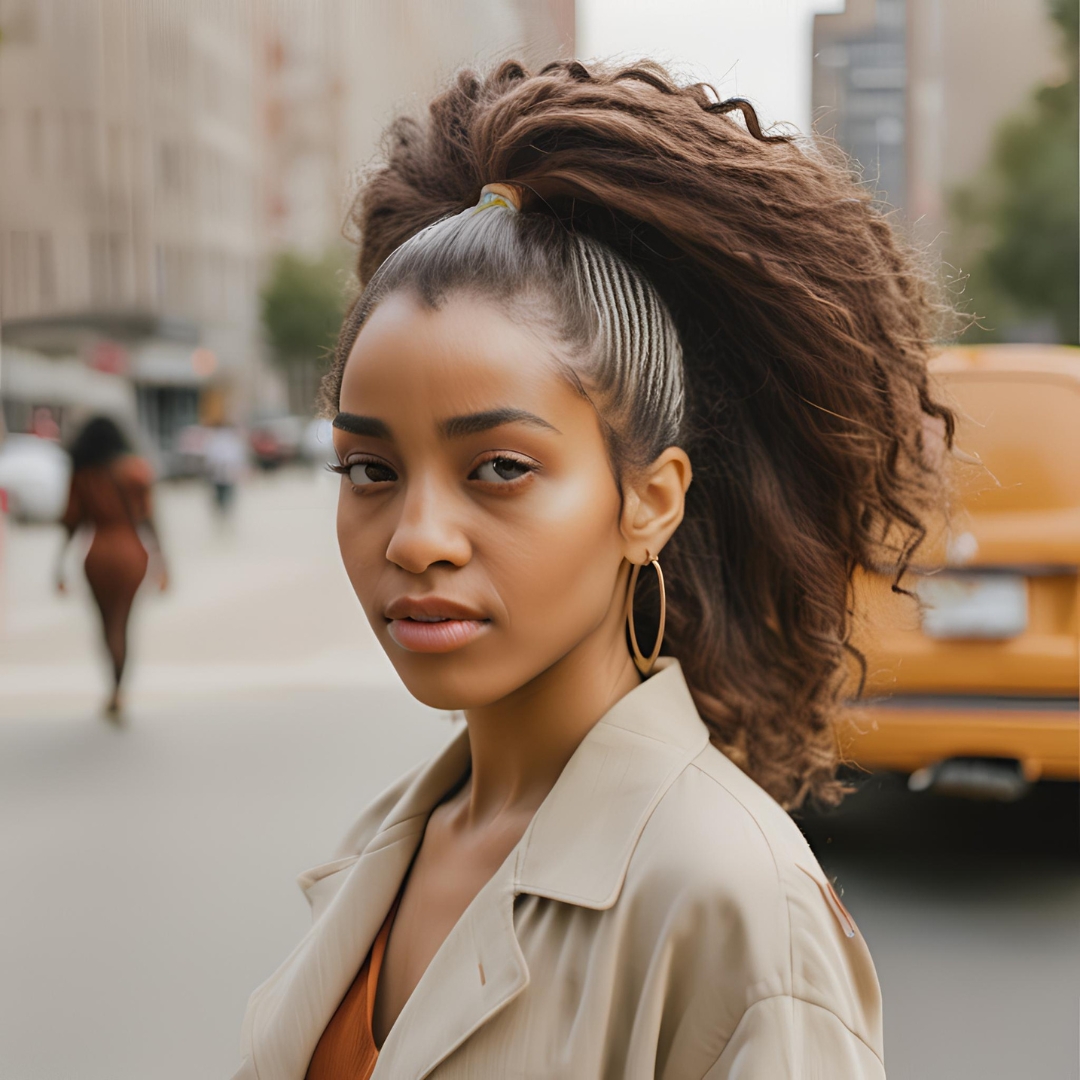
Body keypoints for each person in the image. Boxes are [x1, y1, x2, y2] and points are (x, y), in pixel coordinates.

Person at [233, 60, 954, 1079]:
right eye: (370, 468)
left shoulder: (732, 900)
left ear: (649, 501)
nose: (415, 537)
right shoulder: (394, 845)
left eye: (499, 469)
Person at [57, 415, 166, 721]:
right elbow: (150, 519)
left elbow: (71, 522)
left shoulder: (83, 474)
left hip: (98, 553)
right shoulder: (135, 470)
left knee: (106, 625)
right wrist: (162, 561)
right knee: (124, 623)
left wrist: (58, 567)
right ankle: (119, 690)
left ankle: (113, 684)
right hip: (132, 552)